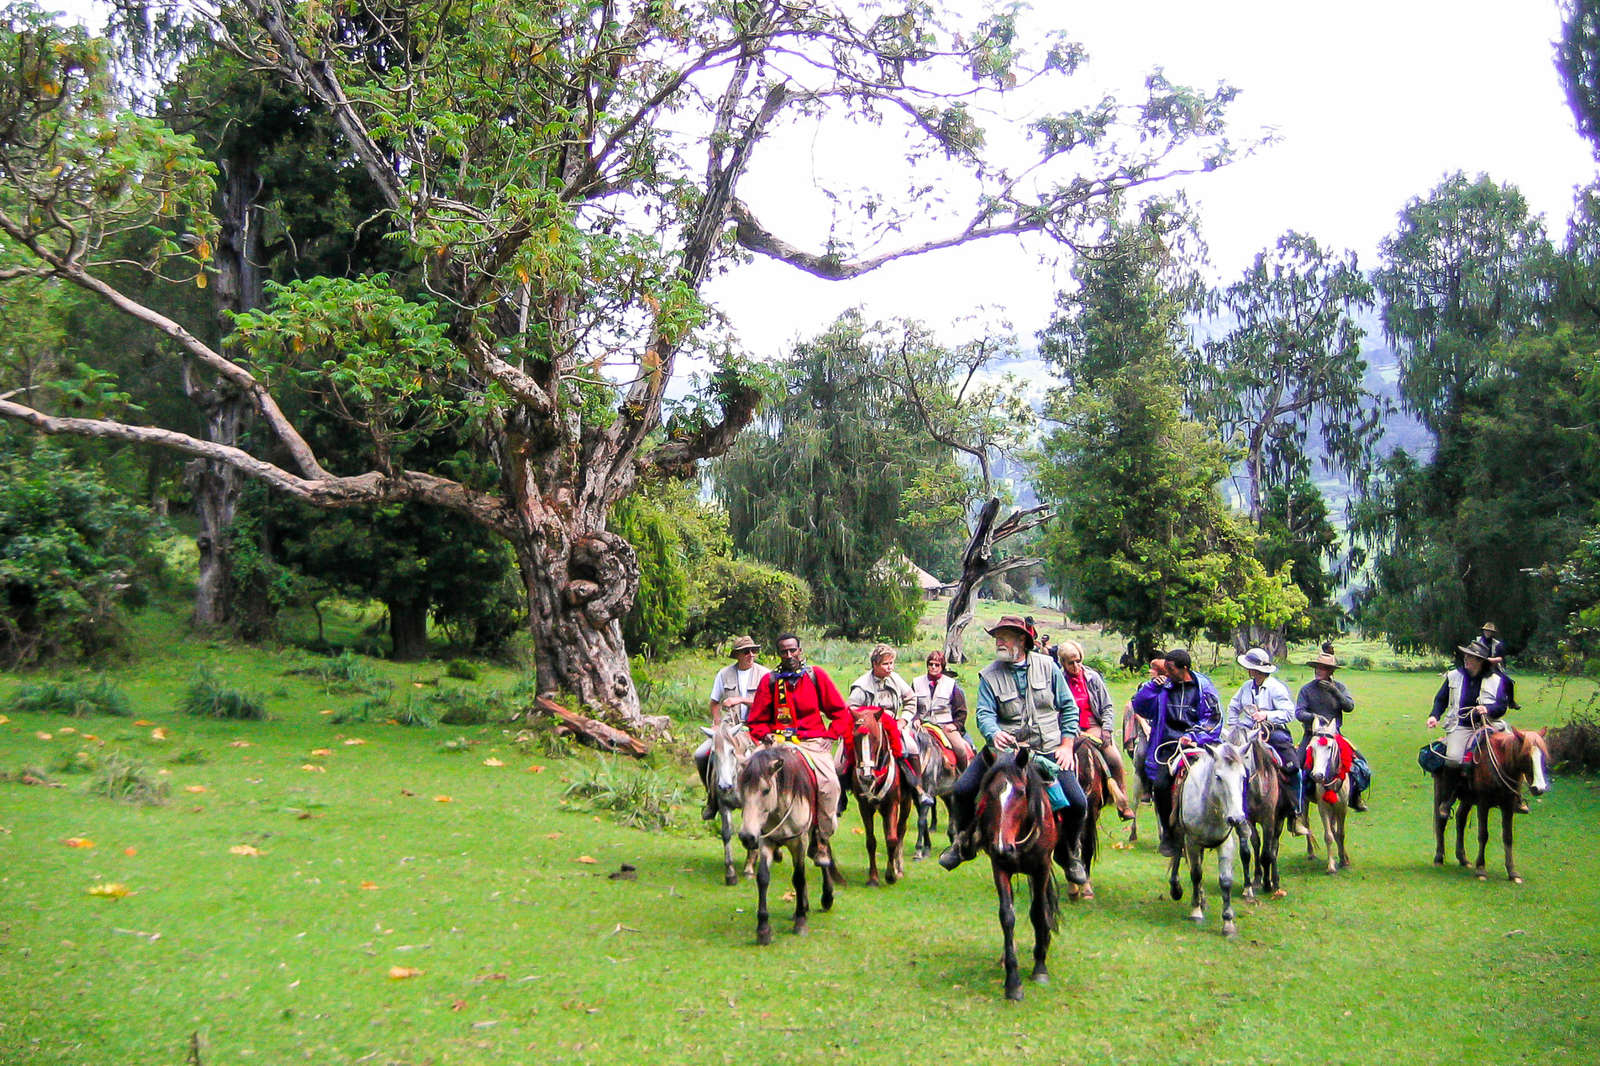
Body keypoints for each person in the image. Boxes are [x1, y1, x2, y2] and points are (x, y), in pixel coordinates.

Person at [937, 615, 1089, 884]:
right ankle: (962, 843)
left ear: (1022, 640)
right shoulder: (989, 674)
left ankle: (1068, 854)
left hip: (1048, 750)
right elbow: (984, 714)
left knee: (1078, 803)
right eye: (997, 636)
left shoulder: (1049, 667)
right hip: (1005, 752)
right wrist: (994, 733)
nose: (998, 641)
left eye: (1004, 636)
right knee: (961, 791)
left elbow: (1069, 708)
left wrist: (1066, 745)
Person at [745, 633, 849, 847]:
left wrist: (830, 735)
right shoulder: (770, 680)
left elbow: (840, 711)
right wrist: (765, 734)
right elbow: (756, 720)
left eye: (793, 650)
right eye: (784, 651)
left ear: (800, 651)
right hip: (777, 743)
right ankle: (752, 828)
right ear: (779, 654)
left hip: (811, 742)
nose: (789, 655)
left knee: (829, 784)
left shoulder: (816, 676)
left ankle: (822, 837)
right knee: (750, 773)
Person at [1130, 648, 1223, 857]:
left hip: (1196, 744)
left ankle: (1222, 823)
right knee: (1161, 785)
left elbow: (1213, 718)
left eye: (1170, 669)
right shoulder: (1163, 687)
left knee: (1221, 776)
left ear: (1184, 669)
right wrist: (1152, 687)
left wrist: (1193, 736)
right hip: (1168, 746)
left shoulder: (1203, 688)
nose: (1167, 673)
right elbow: (1140, 706)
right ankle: (1168, 834)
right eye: (1165, 669)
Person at [1427, 637, 1514, 813]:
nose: (1466, 659)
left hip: (1490, 725)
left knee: (1515, 752)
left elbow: (1502, 706)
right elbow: (1441, 698)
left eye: (1471, 657)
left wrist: (1487, 709)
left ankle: (1515, 797)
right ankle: (1449, 799)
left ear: (1481, 661)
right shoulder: (1454, 676)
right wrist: (1434, 716)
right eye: (1466, 656)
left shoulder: (1498, 680)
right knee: (1453, 758)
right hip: (1462, 726)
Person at [1228, 647, 1307, 833]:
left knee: (1294, 768)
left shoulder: (1276, 688)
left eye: (1251, 668)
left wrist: (1266, 715)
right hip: (1247, 733)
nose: (1249, 671)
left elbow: (1289, 713)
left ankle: (1296, 813)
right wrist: (1234, 727)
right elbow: (1233, 706)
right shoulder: (1245, 687)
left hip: (1273, 732)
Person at [1056, 640, 1134, 820]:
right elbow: (1057, 709)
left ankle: (1122, 802)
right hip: (1069, 728)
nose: (1076, 666)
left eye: (1078, 661)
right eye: (1070, 663)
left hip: (1094, 726)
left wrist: (1106, 729)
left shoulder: (1093, 678)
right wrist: (1071, 730)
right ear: (1063, 663)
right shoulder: (1058, 680)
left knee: (1114, 758)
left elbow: (1107, 706)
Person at [696, 635, 770, 819]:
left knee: (769, 760)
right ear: (737, 655)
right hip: (730, 728)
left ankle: (768, 801)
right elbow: (714, 702)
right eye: (746, 651)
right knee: (700, 754)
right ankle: (712, 798)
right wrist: (716, 722)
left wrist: (741, 700)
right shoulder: (723, 674)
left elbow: (768, 705)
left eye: (754, 650)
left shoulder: (765, 674)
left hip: (757, 728)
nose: (751, 654)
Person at [1293, 650, 1367, 813]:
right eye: (1318, 667)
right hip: (1311, 735)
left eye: (1323, 668)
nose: (1319, 671)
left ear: (1331, 671)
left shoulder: (1340, 687)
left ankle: (1355, 797)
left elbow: (1349, 707)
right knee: (1296, 766)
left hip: (1334, 735)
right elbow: (1299, 712)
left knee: (1359, 763)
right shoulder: (1306, 690)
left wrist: (1334, 691)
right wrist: (1314, 717)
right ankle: (1297, 807)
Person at [844, 644, 923, 793]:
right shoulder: (861, 686)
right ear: (875, 664)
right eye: (885, 664)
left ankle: (918, 789)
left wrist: (904, 720)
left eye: (891, 663)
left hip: (894, 724)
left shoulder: (895, 679)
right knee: (839, 761)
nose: (890, 668)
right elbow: (851, 708)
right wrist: (864, 721)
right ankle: (841, 795)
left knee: (911, 746)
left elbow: (911, 699)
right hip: (868, 729)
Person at [911, 649, 973, 766]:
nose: (933, 667)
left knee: (961, 749)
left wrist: (954, 725)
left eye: (937, 665)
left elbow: (961, 711)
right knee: (903, 746)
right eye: (931, 664)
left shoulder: (951, 685)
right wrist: (915, 719)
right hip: (921, 725)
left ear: (942, 667)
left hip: (944, 726)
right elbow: (911, 706)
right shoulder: (916, 683)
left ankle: (963, 776)